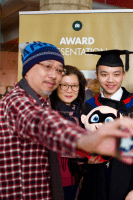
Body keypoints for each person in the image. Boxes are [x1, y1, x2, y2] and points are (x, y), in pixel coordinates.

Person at [0, 41, 133, 199]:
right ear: (27, 69)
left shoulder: (42, 101)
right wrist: (86, 139)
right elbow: (41, 123)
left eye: (59, 70)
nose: (54, 75)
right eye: (47, 66)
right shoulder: (17, 101)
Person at [78, 50, 133, 200]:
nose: (110, 80)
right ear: (97, 75)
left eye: (116, 74)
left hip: (126, 180)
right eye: (104, 74)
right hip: (95, 181)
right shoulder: (89, 106)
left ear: (123, 75)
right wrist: (85, 157)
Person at [49, 65, 87, 200]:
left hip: (78, 177)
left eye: (74, 86)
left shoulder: (86, 112)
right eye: (64, 85)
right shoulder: (46, 111)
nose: (69, 90)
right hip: (52, 175)